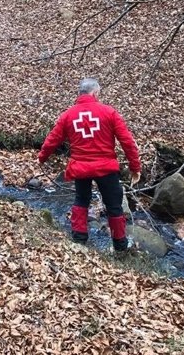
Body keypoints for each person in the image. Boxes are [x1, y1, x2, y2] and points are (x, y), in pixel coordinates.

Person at [38, 78, 141, 252]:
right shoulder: (109, 112)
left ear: (80, 93)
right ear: (95, 93)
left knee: (81, 200)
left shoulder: (68, 115)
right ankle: (120, 247)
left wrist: (42, 157)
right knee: (114, 206)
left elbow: (52, 140)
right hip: (106, 168)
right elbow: (127, 142)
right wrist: (135, 167)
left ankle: (79, 240)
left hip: (81, 168)